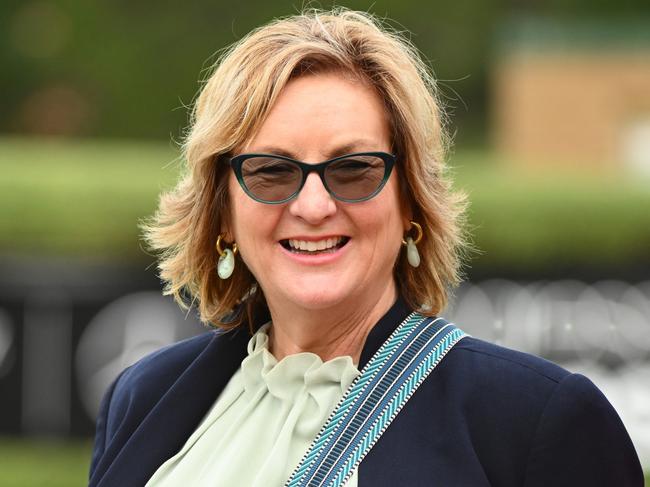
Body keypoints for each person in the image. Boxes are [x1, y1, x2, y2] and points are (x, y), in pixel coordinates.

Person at [88, 9, 644, 487]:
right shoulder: (142, 398)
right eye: (272, 171)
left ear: (410, 205)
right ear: (222, 211)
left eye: (353, 170)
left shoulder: (534, 420)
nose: (312, 205)